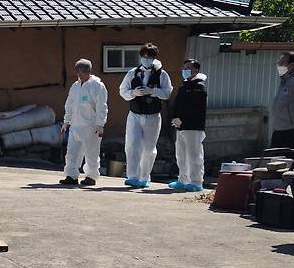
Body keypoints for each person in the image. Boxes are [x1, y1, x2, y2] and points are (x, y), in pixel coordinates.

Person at [119, 43, 173, 188]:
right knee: (132, 145)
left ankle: (144, 177)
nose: (146, 59)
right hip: (135, 114)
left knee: (149, 148)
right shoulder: (132, 73)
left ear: (154, 58)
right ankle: (132, 176)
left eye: (149, 57)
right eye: (144, 56)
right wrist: (133, 93)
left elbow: (167, 93)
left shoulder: (162, 74)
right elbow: (122, 91)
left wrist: (152, 91)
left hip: (153, 115)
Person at [59, 59, 109, 186]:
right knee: (72, 153)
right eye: (80, 72)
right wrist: (66, 122)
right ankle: (71, 176)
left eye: (84, 72)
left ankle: (91, 177)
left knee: (91, 154)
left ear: (89, 71)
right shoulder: (75, 86)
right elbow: (69, 105)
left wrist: (100, 124)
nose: (81, 75)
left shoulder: (98, 86)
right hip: (75, 126)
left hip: (91, 127)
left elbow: (102, 107)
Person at [168, 59, 207, 192]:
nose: (184, 71)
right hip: (181, 126)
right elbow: (178, 105)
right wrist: (175, 118)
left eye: (188, 68)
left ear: (195, 70)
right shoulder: (184, 86)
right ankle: (183, 179)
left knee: (194, 155)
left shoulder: (199, 87)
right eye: (184, 68)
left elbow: (195, 108)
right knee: (181, 154)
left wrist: (182, 119)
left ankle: (196, 182)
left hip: (193, 126)